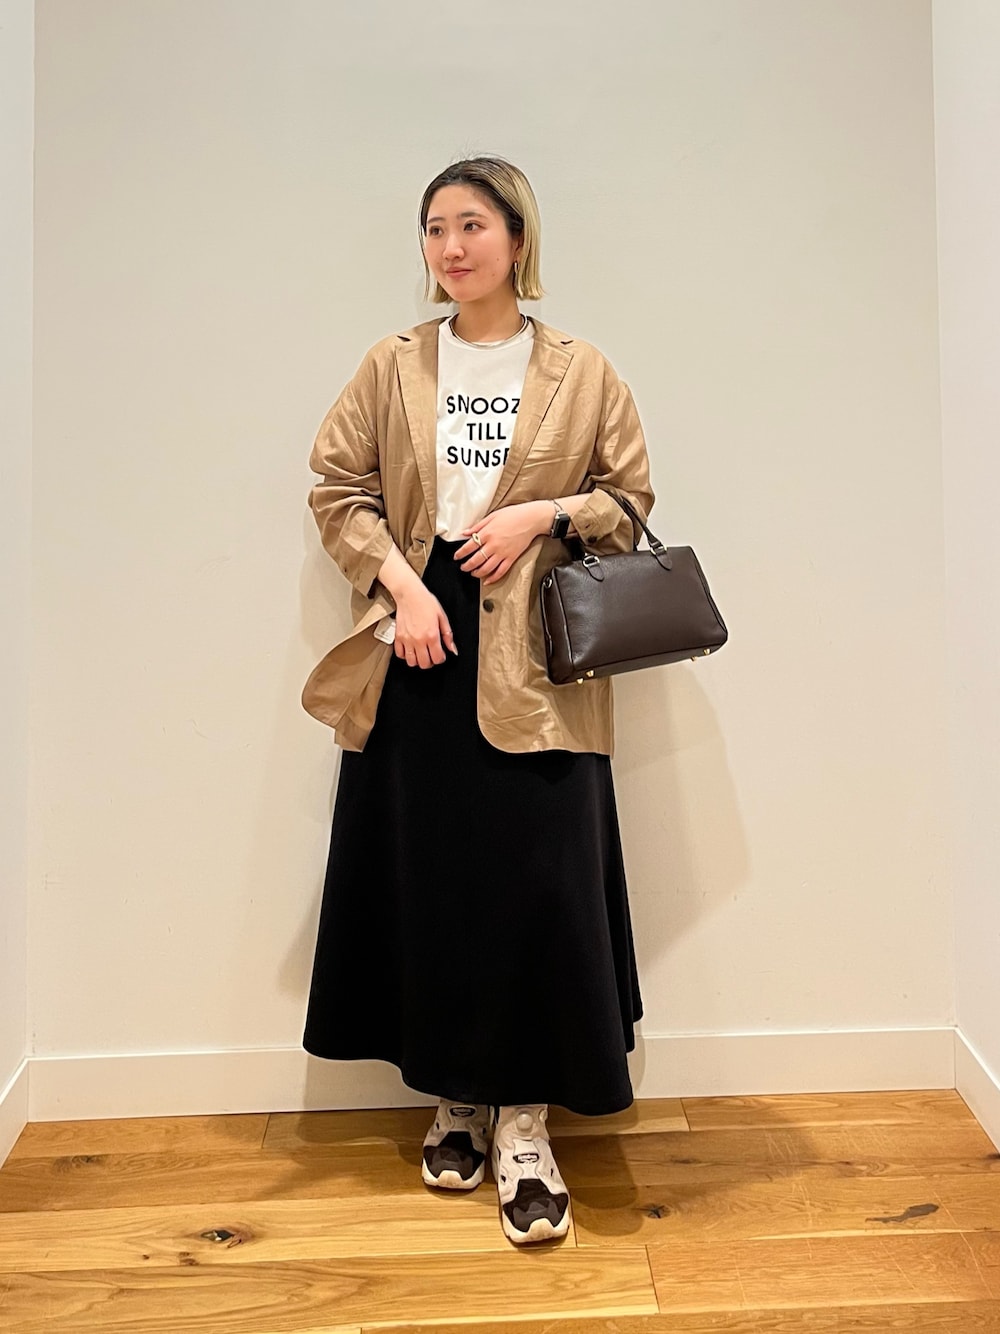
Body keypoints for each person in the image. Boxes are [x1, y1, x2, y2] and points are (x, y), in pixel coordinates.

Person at [301, 156, 654, 1246]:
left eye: (472, 225)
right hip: (423, 641)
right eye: (434, 228)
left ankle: (526, 1125)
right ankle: (456, 1097)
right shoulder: (394, 362)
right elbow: (337, 486)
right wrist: (402, 586)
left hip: (536, 653)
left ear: (516, 237)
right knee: (436, 880)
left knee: (540, 885)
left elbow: (629, 499)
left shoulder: (580, 369)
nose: (451, 247)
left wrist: (542, 514)